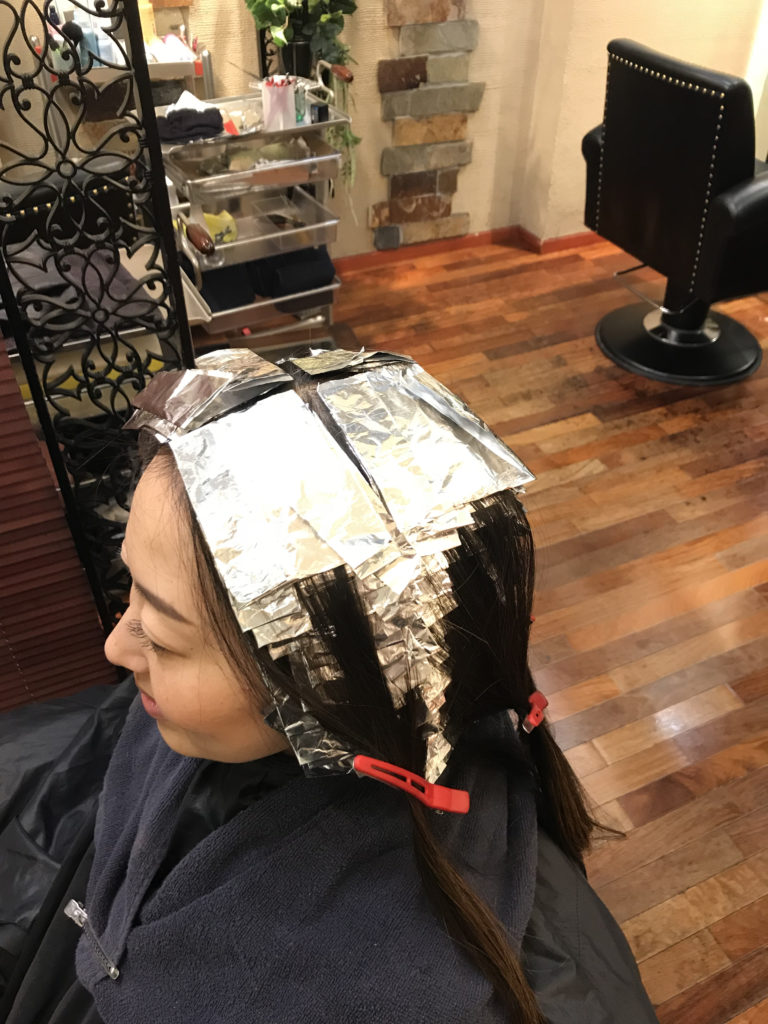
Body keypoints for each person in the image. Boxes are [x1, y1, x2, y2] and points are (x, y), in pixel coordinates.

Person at [3, 348, 659, 1024]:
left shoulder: (480, 984)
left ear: (322, 686)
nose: (115, 647)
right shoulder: (203, 725)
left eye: (164, 637)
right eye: (132, 590)